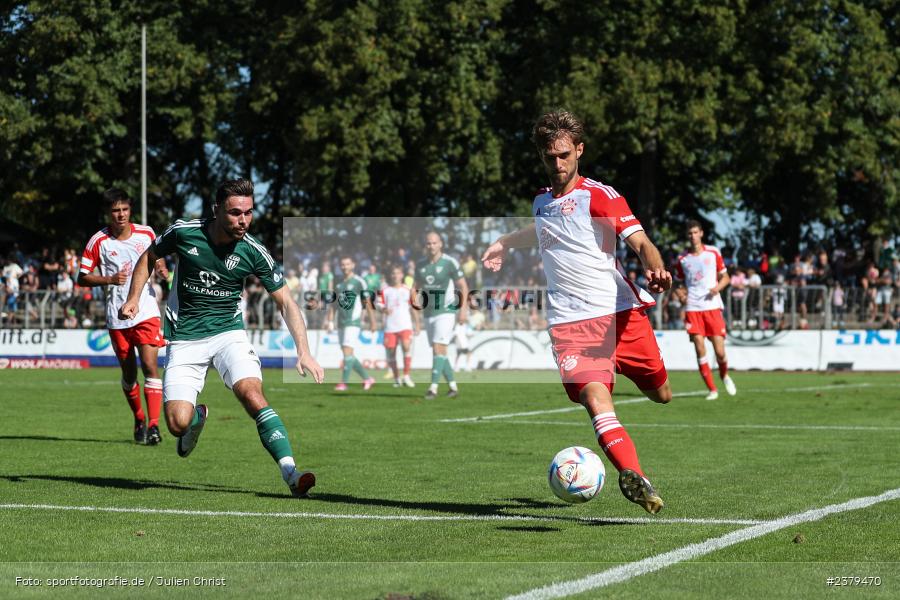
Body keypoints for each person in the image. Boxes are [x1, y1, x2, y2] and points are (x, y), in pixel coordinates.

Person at [481, 110, 671, 514]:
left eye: (564, 155)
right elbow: (541, 229)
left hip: (620, 315)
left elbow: (640, 242)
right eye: (550, 157)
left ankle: (623, 373)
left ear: (579, 150)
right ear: (542, 156)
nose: (558, 163)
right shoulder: (541, 201)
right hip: (570, 324)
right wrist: (504, 242)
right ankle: (637, 478)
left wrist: (655, 268)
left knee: (661, 395)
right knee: (594, 397)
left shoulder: (600, 196)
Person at [119, 178, 324, 498]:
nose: (243, 220)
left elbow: (286, 301)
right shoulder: (184, 232)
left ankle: (291, 474)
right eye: (235, 213)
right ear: (217, 210)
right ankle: (196, 418)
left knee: (251, 394)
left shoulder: (253, 250)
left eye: (248, 213)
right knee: (177, 423)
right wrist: (134, 298)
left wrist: (304, 350)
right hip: (185, 338)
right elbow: (148, 257)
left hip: (229, 334)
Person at [78, 188, 168, 445]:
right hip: (117, 316)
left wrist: (161, 267)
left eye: (125, 209)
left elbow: (157, 258)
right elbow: (82, 277)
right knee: (129, 375)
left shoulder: (146, 233)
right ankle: (139, 418)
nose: (121, 215)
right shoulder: (98, 241)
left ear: (130, 210)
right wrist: (109, 279)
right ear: (108, 213)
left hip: (146, 310)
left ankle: (154, 426)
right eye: (115, 210)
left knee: (150, 366)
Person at [673, 220, 737, 401]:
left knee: (720, 352)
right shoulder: (683, 259)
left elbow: (726, 277)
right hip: (693, 308)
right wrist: (681, 295)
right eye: (690, 233)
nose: (693, 236)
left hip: (712, 307)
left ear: (701, 233)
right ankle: (712, 389)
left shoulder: (713, 252)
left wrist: (717, 288)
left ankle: (724, 375)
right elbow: (677, 283)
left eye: (695, 232)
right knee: (700, 348)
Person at [414, 231, 468, 399]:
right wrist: (415, 303)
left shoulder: (450, 262)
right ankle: (452, 387)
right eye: (428, 243)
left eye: (434, 243)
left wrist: (463, 310)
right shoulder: (420, 265)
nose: (431, 246)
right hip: (428, 312)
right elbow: (415, 287)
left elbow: (463, 286)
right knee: (439, 351)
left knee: (438, 347)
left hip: (446, 311)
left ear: (440, 244)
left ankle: (433, 388)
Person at [327, 256, 377, 391]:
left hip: (353, 321)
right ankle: (367, 378)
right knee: (348, 354)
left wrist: (373, 321)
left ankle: (343, 383)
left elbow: (367, 302)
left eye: (347, 264)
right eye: (342, 264)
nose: (345, 267)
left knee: (347, 352)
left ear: (353, 265)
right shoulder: (338, 283)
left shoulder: (359, 282)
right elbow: (333, 304)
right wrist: (330, 320)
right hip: (341, 322)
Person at [379, 265, 419, 387]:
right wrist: (384, 309)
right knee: (391, 352)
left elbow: (414, 308)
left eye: (398, 273)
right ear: (390, 275)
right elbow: (379, 305)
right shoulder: (385, 290)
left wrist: (417, 324)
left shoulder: (408, 290)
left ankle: (406, 376)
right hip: (390, 326)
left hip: (405, 325)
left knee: (406, 347)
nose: (395, 276)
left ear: (402, 275)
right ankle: (397, 378)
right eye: (393, 273)